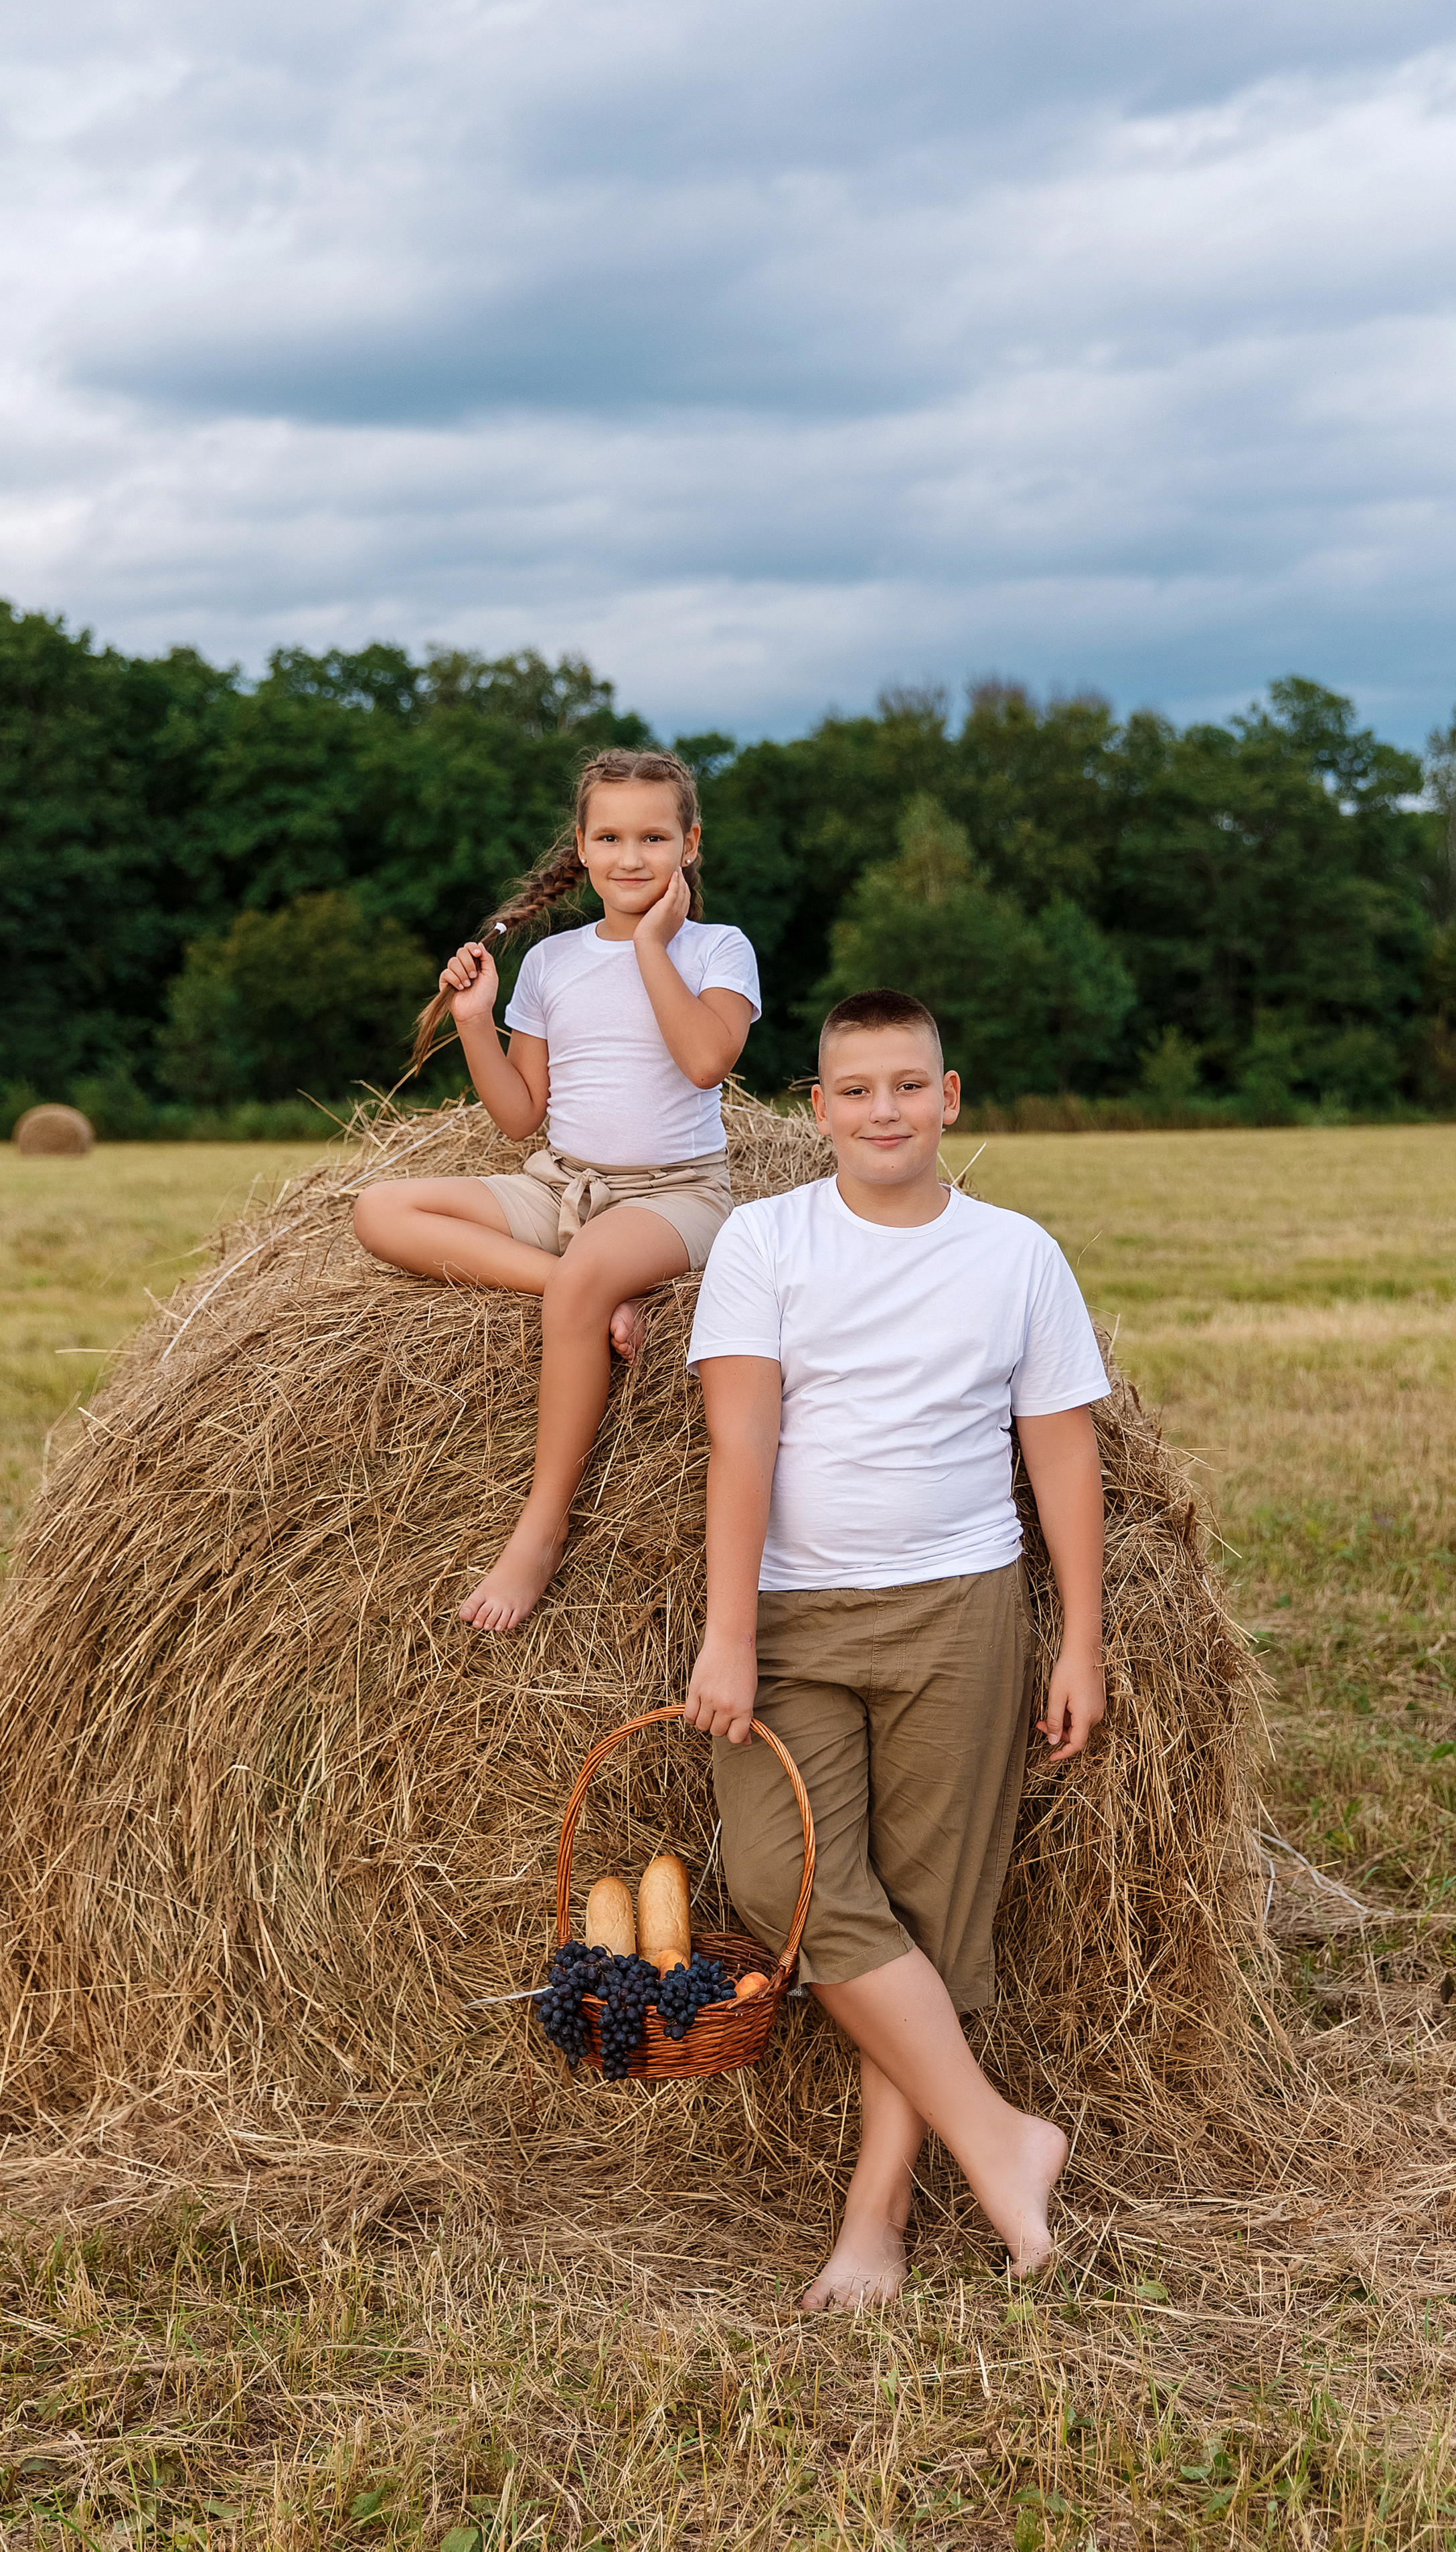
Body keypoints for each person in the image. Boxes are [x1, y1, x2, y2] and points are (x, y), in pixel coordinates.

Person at [683, 987, 1110, 2308]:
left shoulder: (1016, 1254)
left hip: (960, 1613)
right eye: (856, 1089)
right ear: (815, 1109)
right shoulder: (764, 1241)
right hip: (799, 1618)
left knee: (925, 1916)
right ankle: (999, 2138)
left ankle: (872, 2222)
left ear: (950, 1097)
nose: (883, 1111)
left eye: (907, 1086)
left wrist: (1078, 1637)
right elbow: (739, 1442)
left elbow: (1060, 1451)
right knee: (783, 1879)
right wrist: (731, 1632)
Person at [354, 748, 760, 1632]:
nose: (630, 857)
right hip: (562, 1185)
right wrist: (474, 1023)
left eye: (654, 837)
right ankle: (591, 1297)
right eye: (609, 837)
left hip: (676, 1195)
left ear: (690, 844)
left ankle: (540, 1528)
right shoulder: (550, 965)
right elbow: (518, 1117)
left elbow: (705, 1060)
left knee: (585, 1275)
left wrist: (652, 944)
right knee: (379, 1209)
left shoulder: (717, 949)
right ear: (581, 847)